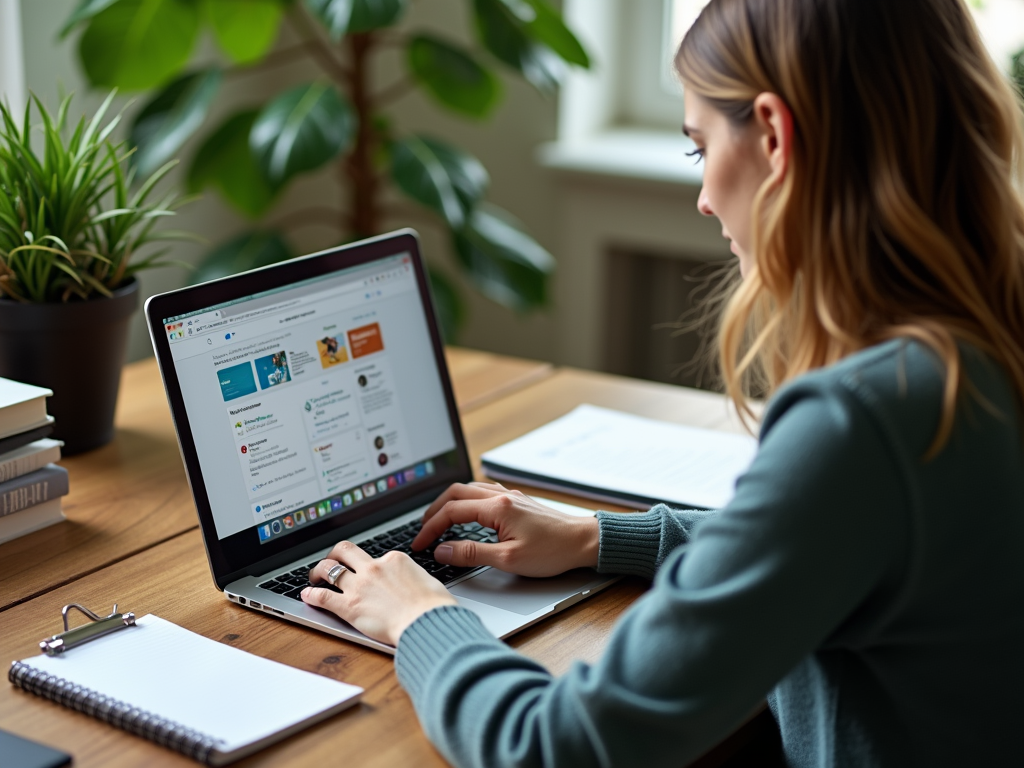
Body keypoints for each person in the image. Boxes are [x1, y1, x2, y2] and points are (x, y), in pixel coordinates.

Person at [301, 0, 1024, 764]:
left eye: (699, 147)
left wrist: (419, 616)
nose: (706, 197)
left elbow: (556, 748)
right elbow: (839, 541)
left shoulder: (864, 419)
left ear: (775, 136)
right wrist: (601, 536)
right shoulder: (978, 346)